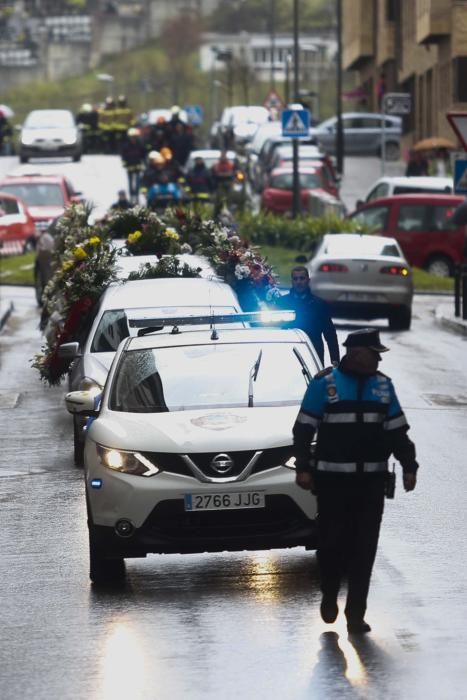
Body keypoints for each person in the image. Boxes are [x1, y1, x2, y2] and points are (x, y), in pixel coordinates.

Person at [292, 328, 418, 634]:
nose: (377, 358)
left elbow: (397, 432)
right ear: (356, 353)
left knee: (365, 547)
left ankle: (356, 613)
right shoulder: (326, 384)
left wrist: (409, 465)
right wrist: (304, 467)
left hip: (371, 483)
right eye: (373, 353)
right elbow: (303, 429)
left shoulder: (383, 387)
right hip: (333, 482)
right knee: (332, 542)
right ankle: (330, 592)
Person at [275, 266, 339, 366]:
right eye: (295, 279)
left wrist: (335, 359)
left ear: (308, 280)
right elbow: (274, 329)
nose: (299, 282)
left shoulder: (319, 304)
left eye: (302, 278)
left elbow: (330, 333)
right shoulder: (281, 303)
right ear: (292, 281)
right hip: (287, 351)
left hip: (313, 351)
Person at [120, 127, 147, 203]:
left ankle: (137, 196)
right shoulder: (126, 145)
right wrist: (125, 164)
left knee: (138, 182)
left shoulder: (140, 145)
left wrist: (144, 164)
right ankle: (132, 196)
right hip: (130, 167)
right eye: (132, 137)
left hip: (138, 166)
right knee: (130, 182)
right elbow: (123, 156)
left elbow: (144, 155)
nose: (133, 139)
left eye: (134, 137)